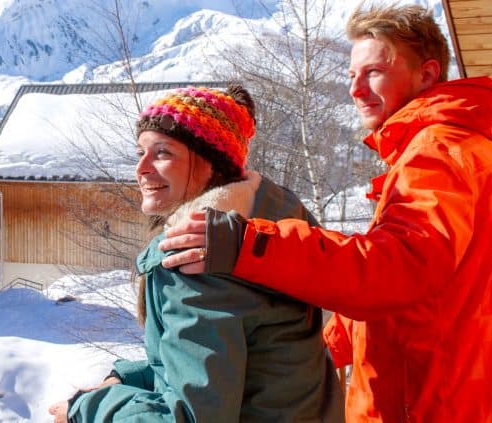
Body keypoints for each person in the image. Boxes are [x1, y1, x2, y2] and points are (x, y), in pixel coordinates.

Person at [159, 4, 492, 422]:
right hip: (464, 398)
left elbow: (394, 270)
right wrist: (312, 349)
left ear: (426, 74)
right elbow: (411, 293)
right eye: (352, 75)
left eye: (373, 72)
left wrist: (249, 244)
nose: (356, 89)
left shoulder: (438, 154)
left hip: (425, 405)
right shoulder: (465, 149)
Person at [48, 85, 344, 422]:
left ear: (211, 164)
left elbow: (189, 417)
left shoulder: (197, 261)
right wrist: (131, 378)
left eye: (162, 153)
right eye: (139, 153)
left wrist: (87, 409)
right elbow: (244, 366)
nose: (141, 168)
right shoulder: (265, 235)